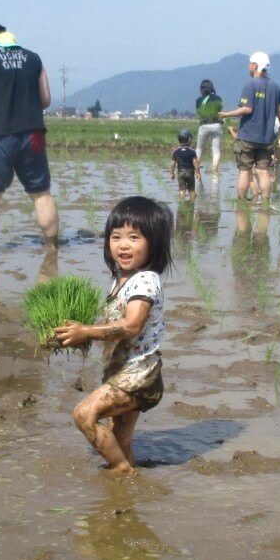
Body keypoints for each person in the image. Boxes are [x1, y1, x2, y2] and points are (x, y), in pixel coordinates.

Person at [54, 196, 173, 475]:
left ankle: (121, 471)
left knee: (84, 414)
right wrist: (83, 330)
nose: (123, 244)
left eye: (134, 237)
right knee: (120, 438)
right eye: (116, 236)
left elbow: (131, 326)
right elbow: (114, 322)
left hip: (138, 378)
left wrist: (87, 332)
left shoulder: (145, 280)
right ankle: (130, 477)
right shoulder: (122, 280)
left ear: (153, 243)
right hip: (122, 372)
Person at [0, 21, 59, 247]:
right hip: (33, 136)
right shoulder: (34, 59)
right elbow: (46, 100)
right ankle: (53, 247)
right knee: (41, 193)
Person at [219, 51, 280, 204]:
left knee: (244, 171)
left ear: (255, 65)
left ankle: (242, 204)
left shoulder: (250, 85)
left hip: (247, 137)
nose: (248, 66)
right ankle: (265, 204)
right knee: (263, 172)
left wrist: (225, 114)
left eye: (250, 63)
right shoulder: (275, 87)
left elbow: (247, 109)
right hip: (266, 138)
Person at [194, 79, 224, 175]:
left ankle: (197, 170)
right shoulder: (218, 99)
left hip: (204, 125)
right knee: (216, 151)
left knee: (199, 149)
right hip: (216, 125)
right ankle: (215, 171)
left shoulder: (198, 100)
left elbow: (199, 112)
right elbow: (220, 111)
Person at [170, 128, 200, 200]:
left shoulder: (176, 151)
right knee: (192, 190)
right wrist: (198, 173)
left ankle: (182, 205)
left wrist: (172, 173)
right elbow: (195, 163)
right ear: (189, 140)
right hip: (190, 172)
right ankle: (192, 204)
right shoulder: (192, 151)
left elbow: (172, 163)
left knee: (182, 190)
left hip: (180, 173)